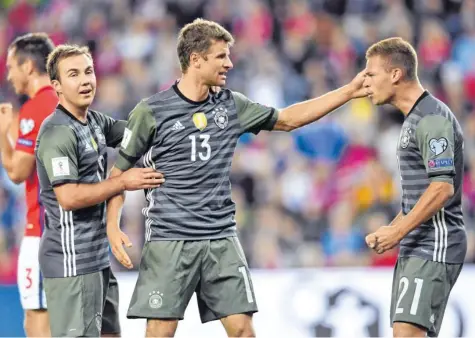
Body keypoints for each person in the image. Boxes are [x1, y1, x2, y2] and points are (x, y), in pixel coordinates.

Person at [106, 18, 366, 338]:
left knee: (243, 329)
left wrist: (349, 91)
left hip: (221, 238)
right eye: (221, 56)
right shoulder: (151, 111)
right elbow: (117, 174)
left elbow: (287, 119)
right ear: (195, 59)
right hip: (169, 239)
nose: (229, 63)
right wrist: (112, 225)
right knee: (160, 331)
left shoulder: (231, 105)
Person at [34, 44, 164, 337]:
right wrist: (122, 182)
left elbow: (138, 134)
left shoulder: (94, 122)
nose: (85, 80)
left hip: (97, 260)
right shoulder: (57, 132)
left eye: (89, 71)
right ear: (56, 86)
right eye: (73, 74)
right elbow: (68, 197)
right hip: (72, 263)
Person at [363, 37, 466, 337]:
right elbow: (421, 194)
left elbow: (442, 188)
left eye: (372, 74)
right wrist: (392, 229)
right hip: (416, 244)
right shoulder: (413, 119)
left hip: (435, 243)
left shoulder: (432, 119)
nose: (367, 83)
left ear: (395, 74)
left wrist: (398, 231)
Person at [0, 32, 57, 337]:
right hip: (69, 235)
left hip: (41, 230)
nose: (9, 75)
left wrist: (3, 133)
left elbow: (17, 172)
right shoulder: (67, 103)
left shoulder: (36, 108)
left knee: (37, 323)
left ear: (29, 67)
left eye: (12, 67)